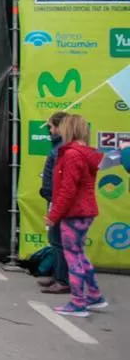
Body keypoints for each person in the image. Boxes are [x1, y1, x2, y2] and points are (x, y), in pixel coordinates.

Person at [45, 115, 107, 318]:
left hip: (74, 212)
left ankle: (79, 301)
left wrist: (54, 215)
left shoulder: (71, 155)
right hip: (84, 210)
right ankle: (95, 295)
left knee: (73, 257)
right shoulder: (87, 153)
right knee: (79, 254)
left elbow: (67, 189)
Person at [37, 112, 71, 294]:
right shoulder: (58, 147)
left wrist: (52, 195)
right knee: (55, 240)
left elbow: (63, 179)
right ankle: (58, 276)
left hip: (58, 200)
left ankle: (63, 280)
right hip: (54, 198)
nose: (49, 130)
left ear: (59, 127)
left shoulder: (62, 149)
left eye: (50, 127)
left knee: (59, 241)